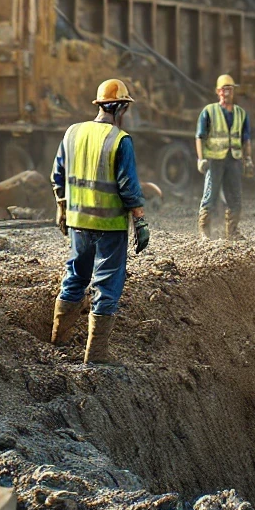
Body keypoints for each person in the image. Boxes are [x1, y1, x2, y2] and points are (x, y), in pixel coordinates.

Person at [51, 78, 150, 365]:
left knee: (75, 276)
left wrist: (61, 207)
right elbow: (128, 185)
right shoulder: (120, 140)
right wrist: (140, 221)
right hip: (109, 226)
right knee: (107, 284)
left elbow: (58, 174)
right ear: (118, 107)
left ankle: (59, 339)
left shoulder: (72, 133)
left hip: (79, 222)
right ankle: (95, 356)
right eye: (126, 108)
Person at [196, 73, 252, 239]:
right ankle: (205, 231)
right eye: (224, 90)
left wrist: (248, 159)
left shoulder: (241, 114)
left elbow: (246, 139)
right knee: (210, 194)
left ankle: (232, 231)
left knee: (235, 195)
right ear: (218, 92)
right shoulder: (209, 111)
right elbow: (200, 136)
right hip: (215, 159)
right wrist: (201, 158)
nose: (227, 93)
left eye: (230, 89)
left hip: (233, 159)